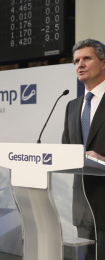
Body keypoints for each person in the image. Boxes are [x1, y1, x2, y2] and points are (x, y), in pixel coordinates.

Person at [62, 38, 105, 259]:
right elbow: (66, 151)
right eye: (76, 60)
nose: (80, 64)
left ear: (103, 63)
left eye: (87, 58)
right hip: (81, 203)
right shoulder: (72, 106)